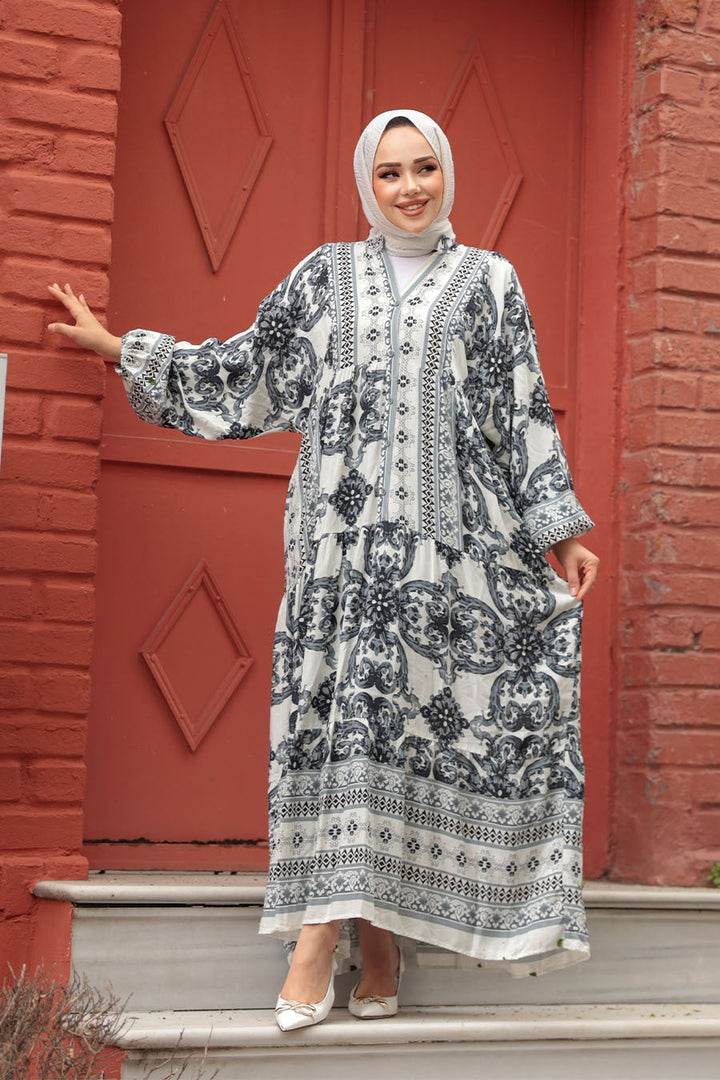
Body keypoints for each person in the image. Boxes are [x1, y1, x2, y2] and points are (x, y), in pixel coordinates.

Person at [49, 108, 599, 1031]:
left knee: (404, 732)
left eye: (425, 168)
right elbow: (252, 372)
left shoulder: (492, 284)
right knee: (342, 726)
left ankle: (371, 936)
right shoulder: (325, 278)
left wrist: (559, 529)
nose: (411, 188)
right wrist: (123, 350)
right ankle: (328, 934)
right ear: (365, 184)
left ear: (448, 175)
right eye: (390, 174)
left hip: (450, 563)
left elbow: (525, 415)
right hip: (339, 560)